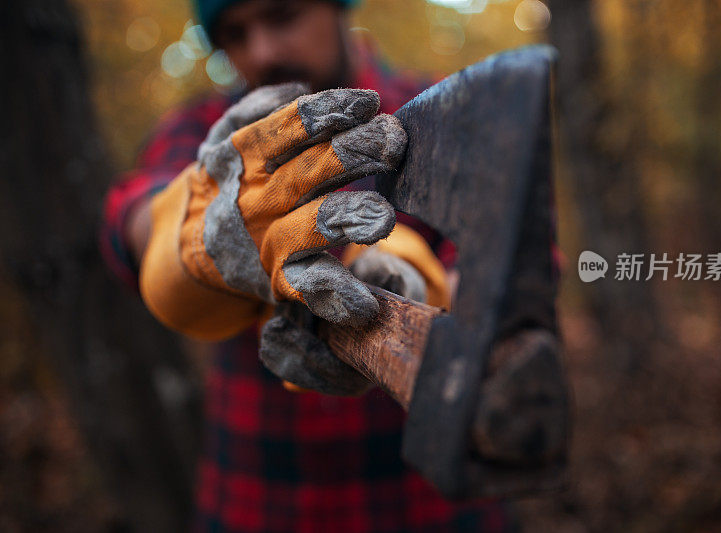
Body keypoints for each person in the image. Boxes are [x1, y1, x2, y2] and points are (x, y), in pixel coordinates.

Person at [101, 0, 516, 530]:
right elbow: (131, 213)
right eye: (236, 34)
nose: (264, 51)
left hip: (430, 499)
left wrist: (418, 291)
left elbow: (512, 268)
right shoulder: (208, 136)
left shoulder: (447, 111)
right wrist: (186, 244)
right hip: (259, 498)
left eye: (282, 15)